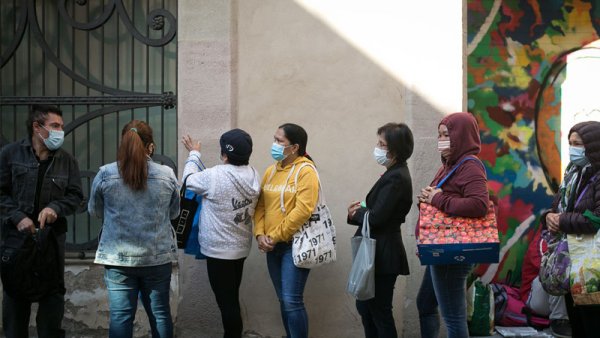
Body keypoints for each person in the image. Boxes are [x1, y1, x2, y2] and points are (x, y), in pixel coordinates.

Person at [88, 120, 179, 338]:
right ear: (151, 146)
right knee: (160, 315)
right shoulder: (166, 174)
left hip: (117, 259)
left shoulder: (105, 173)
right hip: (156, 258)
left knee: (121, 317)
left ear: (123, 143)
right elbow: (174, 213)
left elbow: (94, 210)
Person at [0, 104, 84, 338]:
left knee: (50, 320)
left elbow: (76, 197)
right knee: (15, 320)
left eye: (62, 127)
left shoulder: (67, 161)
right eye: (55, 126)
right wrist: (17, 217)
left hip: (51, 245)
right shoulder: (9, 154)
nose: (60, 131)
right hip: (16, 245)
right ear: (37, 128)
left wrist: (55, 208)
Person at [415, 112, 490, 338]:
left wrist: (437, 199)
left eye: (446, 135)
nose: (441, 140)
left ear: (461, 135)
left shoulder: (470, 166)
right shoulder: (450, 165)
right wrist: (429, 198)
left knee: (454, 318)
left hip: (453, 253)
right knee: (425, 304)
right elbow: (441, 198)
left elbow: (479, 205)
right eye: (439, 135)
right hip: (441, 249)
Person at [181, 129, 260, 338]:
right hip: (240, 248)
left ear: (225, 154)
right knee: (231, 297)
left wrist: (194, 154)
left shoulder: (215, 175)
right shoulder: (253, 174)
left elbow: (188, 180)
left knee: (227, 303)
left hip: (218, 251)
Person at [347, 122, 414, 338]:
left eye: (382, 144)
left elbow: (377, 217)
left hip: (384, 253)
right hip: (379, 250)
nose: (377, 147)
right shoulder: (392, 173)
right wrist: (360, 212)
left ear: (394, 149)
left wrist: (356, 213)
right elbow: (378, 211)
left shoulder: (396, 177)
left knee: (379, 310)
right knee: (366, 308)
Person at [253, 123, 319, 338]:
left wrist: (275, 235)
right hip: (272, 246)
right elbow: (261, 204)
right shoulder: (271, 171)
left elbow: (303, 210)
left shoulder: (306, 170)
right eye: (275, 139)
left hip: (294, 245)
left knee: (292, 301)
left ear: (295, 147)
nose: (275, 145)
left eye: (280, 141)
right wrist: (260, 234)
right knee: (283, 299)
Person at [541, 121, 600, 338]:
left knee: (592, 322)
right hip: (572, 262)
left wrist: (563, 220)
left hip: (593, 265)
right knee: (578, 325)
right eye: (571, 143)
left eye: (578, 144)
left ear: (593, 145)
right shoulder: (574, 172)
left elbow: (596, 219)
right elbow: (557, 206)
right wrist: (548, 217)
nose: (573, 148)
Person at [520, 226, 571, 338]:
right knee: (561, 269)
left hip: (558, 299)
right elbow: (547, 270)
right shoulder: (545, 238)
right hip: (534, 298)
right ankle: (559, 320)